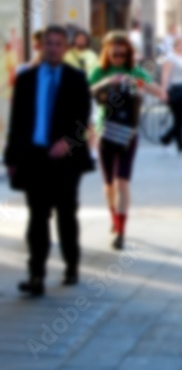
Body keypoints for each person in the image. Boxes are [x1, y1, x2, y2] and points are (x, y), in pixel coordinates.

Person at [3, 24, 95, 296]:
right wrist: (10, 158)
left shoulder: (76, 78)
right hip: (35, 157)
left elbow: (84, 120)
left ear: (65, 48)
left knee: (66, 215)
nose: (53, 48)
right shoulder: (26, 78)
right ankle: (36, 275)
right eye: (48, 43)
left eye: (58, 44)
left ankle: (71, 265)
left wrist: (68, 141)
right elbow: (17, 122)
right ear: (40, 46)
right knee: (37, 217)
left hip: (66, 161)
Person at [89, 31, 165, 249]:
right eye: (115, 54)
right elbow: (85, 91)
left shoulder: (135, 70)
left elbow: (159, 93)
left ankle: (121, 231)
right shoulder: (100, 71)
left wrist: (137, 82)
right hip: (105, 131)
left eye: (122, 54)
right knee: (108, 185)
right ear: (107, 53)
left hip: (128, 133)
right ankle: (114, 217)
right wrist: (106, 82)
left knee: (122, 181)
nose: (119, 58)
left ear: (128, 53)